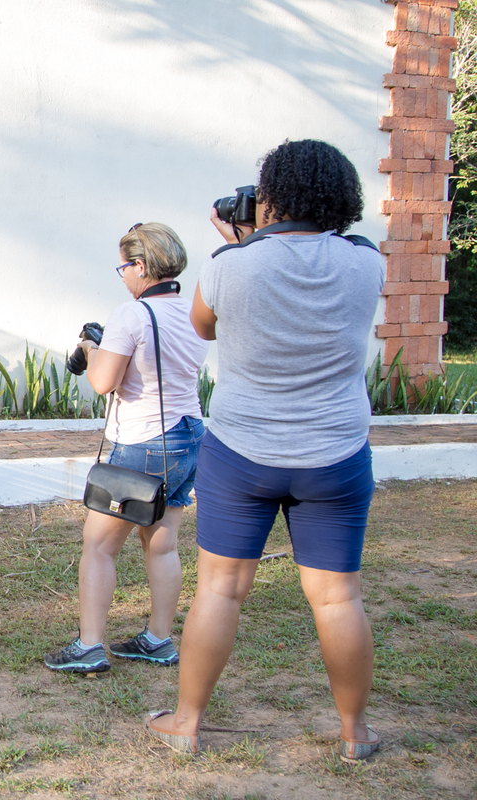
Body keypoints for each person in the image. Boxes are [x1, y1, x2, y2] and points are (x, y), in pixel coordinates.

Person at [143, 140, 385, 761]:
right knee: (338, 596)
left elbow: (203, 325)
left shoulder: (231, 264)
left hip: (242, 451)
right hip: (334, 452)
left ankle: (188, 722)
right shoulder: (367, 263)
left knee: (220, 589)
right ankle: (355, 732)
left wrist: (241, 242)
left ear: (269, 195)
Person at [44, 223, 208, 675]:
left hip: (139, 442)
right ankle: (158, 639)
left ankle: (89, 645)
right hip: (187, 433)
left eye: (124, 267)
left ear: (141, 266)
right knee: (162, 542)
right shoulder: (194, 312)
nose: (123, 277)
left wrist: (92, 348)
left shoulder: (132, 315)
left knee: (98, 545)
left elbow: (102, 383)